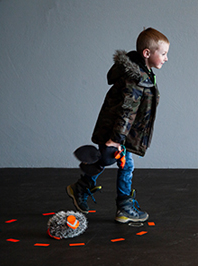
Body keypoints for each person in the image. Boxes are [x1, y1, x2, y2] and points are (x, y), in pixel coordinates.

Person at [66, 28, 169, 224]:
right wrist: (116, 139)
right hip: (117, 132)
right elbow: (126, 111)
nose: (166, 58)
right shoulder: (136, 79)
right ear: (147, 53)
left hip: (121, 133)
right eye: (163, 54)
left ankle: (82, 187)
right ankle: (124, 207)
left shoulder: (143, 73)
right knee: (125, 165)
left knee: (108, 161)